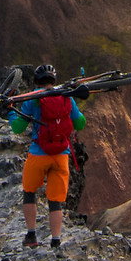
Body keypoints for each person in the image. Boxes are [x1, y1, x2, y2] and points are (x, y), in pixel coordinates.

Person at [11, 63, 85, 250]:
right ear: (54, 80)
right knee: (55, 201)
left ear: (36, 82)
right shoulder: (66, 97)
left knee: (29, 193)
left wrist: (11, 112)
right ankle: (56, 240)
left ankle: (31, 236)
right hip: (61, 156)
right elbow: (80, 124)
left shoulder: (33, 99)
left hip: (38, 155)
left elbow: (18, 128)